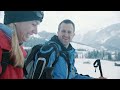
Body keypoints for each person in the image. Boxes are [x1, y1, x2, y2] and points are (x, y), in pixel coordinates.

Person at [38, 19, 106, 79]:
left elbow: (73, 76)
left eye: (69, 32)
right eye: (63, 31)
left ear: (73, 35)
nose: (66, 35)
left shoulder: (70, 53)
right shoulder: (50, 50)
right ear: (58, 32)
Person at [0, 11, 44, 79]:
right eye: (34, 24)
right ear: (16, 20)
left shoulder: (17, 47)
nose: (36, 31)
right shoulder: (2, 48)